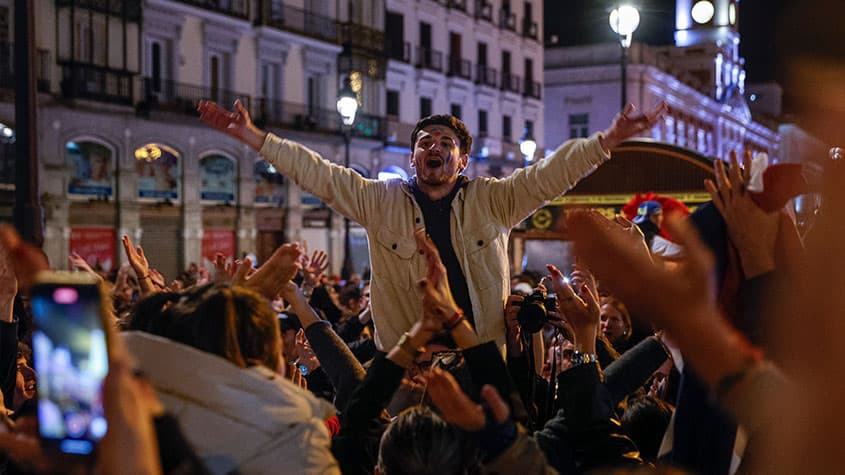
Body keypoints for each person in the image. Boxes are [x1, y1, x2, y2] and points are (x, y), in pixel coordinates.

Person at [198, 99, 667, 351]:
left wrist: (607, 141)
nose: (434, 147)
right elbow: (319, 173)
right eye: (425, 142)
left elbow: (548, 175)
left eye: (445, 142)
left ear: (461, 161)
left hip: (482, 360)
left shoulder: (494, 200)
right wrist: (255, 138)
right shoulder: (378, 201)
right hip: (406, 364)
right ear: (414, 156)